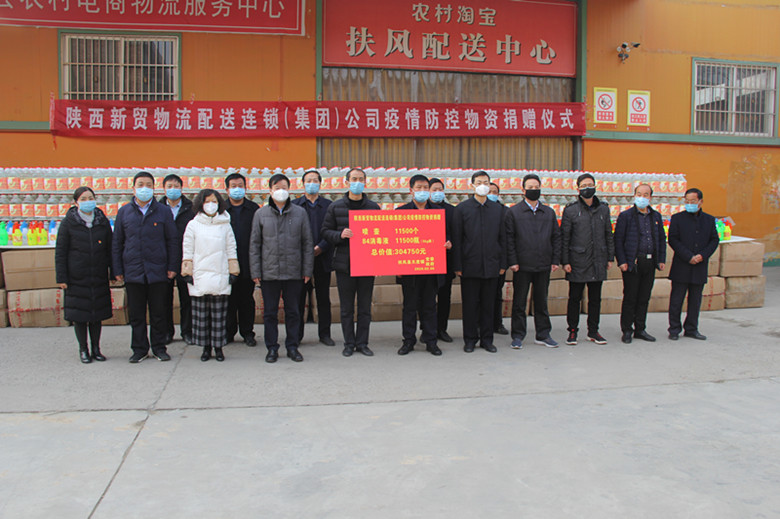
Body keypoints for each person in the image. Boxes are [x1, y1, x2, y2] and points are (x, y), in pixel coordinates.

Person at [112, 171, 180, 363]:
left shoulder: (163, 211)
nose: (144, 188)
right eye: (140, 184)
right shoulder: (124, 212)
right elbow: (117, 242)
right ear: (133, 188)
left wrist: (173, 266)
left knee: (159, 312)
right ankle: (139, 349)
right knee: (137, 314)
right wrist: (117, 269)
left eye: (148, 185)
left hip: (158, 270)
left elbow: (172, 240)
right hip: (133, 271)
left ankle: (159, 347)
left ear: (154, 188)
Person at [250, 174, 313, 363]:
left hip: (294, 272)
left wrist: (307, 270)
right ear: (270, 190)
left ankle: (292, 347)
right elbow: (254, 245)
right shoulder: (261, 214)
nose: (281, 191)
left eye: (284, 187)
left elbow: (307, 243)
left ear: (289, 189)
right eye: (277, 188)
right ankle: (272, 348)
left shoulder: (300, 213)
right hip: (269, 273)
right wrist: (256, 272)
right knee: (270, 313)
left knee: (293, 312)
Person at [322, 167, 381, 357]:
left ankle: (362, 343)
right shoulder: (335, 207)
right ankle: (349, 343)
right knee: (346, 308)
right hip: (344, 264)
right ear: (346, 182)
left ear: (365, 182)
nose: (357, 182)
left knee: (364, 307)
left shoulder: (373, 208)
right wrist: (339, 235)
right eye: (354, 179)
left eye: (361, 179)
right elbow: (325, 231)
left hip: (367, 264)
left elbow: (382, 234)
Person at [55, 186, 113, 364]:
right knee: (80, 316)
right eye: (83, 199)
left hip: (98, 275)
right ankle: (83, 349)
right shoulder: (68, 223)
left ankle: (96, 348)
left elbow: (110, 248)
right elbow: (60, 252)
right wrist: (62, 278)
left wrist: (113, 272)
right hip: (76, 277)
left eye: (91, 198)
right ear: (76, 202)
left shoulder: (102, 221)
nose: (88, 202)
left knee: (96, 315)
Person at [451, 171, 506, 353]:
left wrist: (503, 264)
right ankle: (470, 339)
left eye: (486, 182)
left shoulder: (498, 209)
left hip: (492, 265)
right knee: (470, 305)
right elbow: (457, 238)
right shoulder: (462, 209)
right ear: (472, 185)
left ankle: (487, 340)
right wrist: (458, 265)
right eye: (479, 182)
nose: (483, 185)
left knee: (488, 305)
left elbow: (503, 238)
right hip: (470, 265)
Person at [505, 173, 562, 349]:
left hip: (543, 264)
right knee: (519, 302)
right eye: (530, 187)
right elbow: (509, 239)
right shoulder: (514, 212)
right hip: (522, 265)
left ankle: (543, 334)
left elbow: (556, 237)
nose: (533, 190)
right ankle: (518, 335)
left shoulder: (548, 212)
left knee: (541, 301)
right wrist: (513, 261)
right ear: (523, 190)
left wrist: (555, 260)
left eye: (536, 187)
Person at [181, 189, 238, 362]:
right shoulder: (193, 225)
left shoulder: (225, 224)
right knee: (201, 316)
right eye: (207, 201)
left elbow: (231, 248)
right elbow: (187, 249)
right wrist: (187, 271)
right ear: (200, 204)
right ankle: (206, 348)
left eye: (214, 201)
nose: (210, 205)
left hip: (220, 274)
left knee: (219, 316)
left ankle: (218, 348)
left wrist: (233, 270)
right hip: (200, 275)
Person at [561, 173, 614, 346]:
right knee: (574, 298)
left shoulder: (603, 209)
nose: (587, 188)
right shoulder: (571, 210)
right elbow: (565, 238)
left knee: (595, 299)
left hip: (598, 259)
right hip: (578, 261)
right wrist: (565, 261)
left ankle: (593, 331)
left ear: (595, 186)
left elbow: (608, 234)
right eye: (584, 185)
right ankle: (572, 331)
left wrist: (610, 257)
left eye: (590, 184)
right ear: (578, 189)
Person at [395, 174, 442, 356]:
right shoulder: (401, 212)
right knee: (409, 307)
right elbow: (395, 241)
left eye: (425, 188)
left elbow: (447, 234)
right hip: (409, 269)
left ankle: (431, 341)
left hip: (431, 267)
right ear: (411, 190)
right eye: (419, 188)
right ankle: (408, 341)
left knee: (430, 306)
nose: (422, 191)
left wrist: (447, 242)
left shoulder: (438, 212)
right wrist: (397, 266)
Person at [614, 183, 667, 344]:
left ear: (650, 197)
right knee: (630, 298)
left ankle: (640, 329)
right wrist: (622, 261)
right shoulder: (626, 216)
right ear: (634, 195)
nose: (642, 198)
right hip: (633, 263)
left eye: (645, 195)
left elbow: (661, 239)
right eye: (639, 194)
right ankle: (627, 330)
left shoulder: (656, 217)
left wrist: (661, 259)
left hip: (650, 262)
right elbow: (618, 240)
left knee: (644, 297)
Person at [667, 188, 719, 341]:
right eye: (687, 201)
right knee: (676, 299)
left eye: (693, 201)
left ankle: (691, 328)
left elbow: (714, 240)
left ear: (700, 202)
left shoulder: (709, 220)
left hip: (699, 265)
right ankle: (674, 329)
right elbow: (673, 239)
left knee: (695, 300)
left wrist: (702, 255)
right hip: (682, 264)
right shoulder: (677, 218)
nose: (690, 204)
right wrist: (688, 256)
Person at [292, 169, 335, 346]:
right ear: (303, 184)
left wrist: (321, 247)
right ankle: (297, 335)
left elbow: (334, 229)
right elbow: (290, 232)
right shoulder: (294, 205)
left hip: (322, 257)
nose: (312, 184)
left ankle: (325, 334)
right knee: (299, 298)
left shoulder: (329, 205)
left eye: (315, 180)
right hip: (301, 259)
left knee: (323, 297)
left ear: (320, 184)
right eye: (308, 181)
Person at [224, 172, 260, 347]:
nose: (237, 189)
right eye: (233, 186)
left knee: (246, 299)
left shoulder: (254, 209)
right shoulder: (221, 209)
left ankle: (247, 332)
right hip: (226, 262)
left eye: (240, 186)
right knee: (229, 300)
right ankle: (228, 332)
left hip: (247, 261)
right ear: (227, 189)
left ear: (245, 188)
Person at [160, 173, 194, 345]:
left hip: (185, 259)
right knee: (164, 299)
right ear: (163, 189)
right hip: (163, 259)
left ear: (182, 188)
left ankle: (187, 331)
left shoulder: (191, 208)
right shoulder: (157, 208)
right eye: (169, 186)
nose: (173, 189)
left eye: (176, 186)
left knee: (186, 299)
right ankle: (167, 332)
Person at [428, 177, 456, 343]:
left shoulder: (452, 211)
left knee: (445, 297)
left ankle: (442, 329)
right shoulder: (423, 209)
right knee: (427, 299)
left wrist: (450, 243)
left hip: (446, 261)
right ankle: (427, 329)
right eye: (434, 190)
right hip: (426, 263)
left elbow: (457, 234)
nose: (437, 192)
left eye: (440, 189)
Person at [488, 182, 510, 336]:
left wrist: (504, 262)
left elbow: (507, 239)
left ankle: (497, 323)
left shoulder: (505, 212)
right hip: (480, 259)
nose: (491, 194)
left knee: (497, 293)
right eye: (489, 191)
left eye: (494, 192)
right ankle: (480, 324)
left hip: (498, 259)